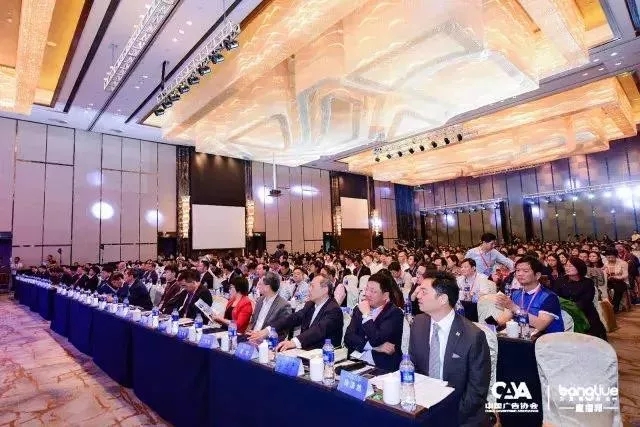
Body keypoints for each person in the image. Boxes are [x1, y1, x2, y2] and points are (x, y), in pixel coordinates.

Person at [409, 271, 490, 427]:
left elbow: (477, 390)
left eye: (424, 291)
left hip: (459, 413)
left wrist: (448, 416)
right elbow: (413, 366)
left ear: (442, 299)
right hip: (423, 407)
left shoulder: (473, 335)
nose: (417, 295)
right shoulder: (418, 323)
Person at [344, 272, 404, 371]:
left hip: (382, 367)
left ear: (385, 295)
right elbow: (348, 337)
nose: (367, 294)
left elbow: (376, 339)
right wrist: (374, 347)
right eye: (367, 289)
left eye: (373, 291)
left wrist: (366, 315)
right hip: (357, 362)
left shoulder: (394, 313)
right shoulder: (359, 309)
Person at [272, 274, 343, 351]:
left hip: (323, 354)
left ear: (325, 289)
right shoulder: (310, 304)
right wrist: (270, 328)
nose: (309, 289)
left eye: (312, 286)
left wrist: (294, 342)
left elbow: (317, 330)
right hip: (306, 350)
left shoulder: (334, 310)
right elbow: (294, 318)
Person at [496, 256, 564, 333]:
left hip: (546, 338)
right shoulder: (515, 293)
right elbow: (504, 318)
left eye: (525, 271)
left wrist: (514, 308)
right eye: (517, 270)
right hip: (521, 336)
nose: (520, 274)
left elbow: (540, 325)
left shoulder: (549, 297)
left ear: (537, 275)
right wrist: (488, 324)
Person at [553, 257, 607, 340]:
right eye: (566, 265)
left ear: (579, 267)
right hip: (564, 311)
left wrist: (573, 308)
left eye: (571, 266)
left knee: (593, 331)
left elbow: (586, 300)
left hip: (584, 311)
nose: (567, 268)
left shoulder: (587, 282)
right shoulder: (560, 281)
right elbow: (555, 297)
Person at [247, 272, 292, 340]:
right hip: (251, 336)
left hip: (266, 341)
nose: (257, 286)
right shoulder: (260, 300)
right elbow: (253, 322)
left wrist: (263, 336)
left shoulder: (284, 306)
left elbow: (282, 332)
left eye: (260, 284)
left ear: (267, 287)